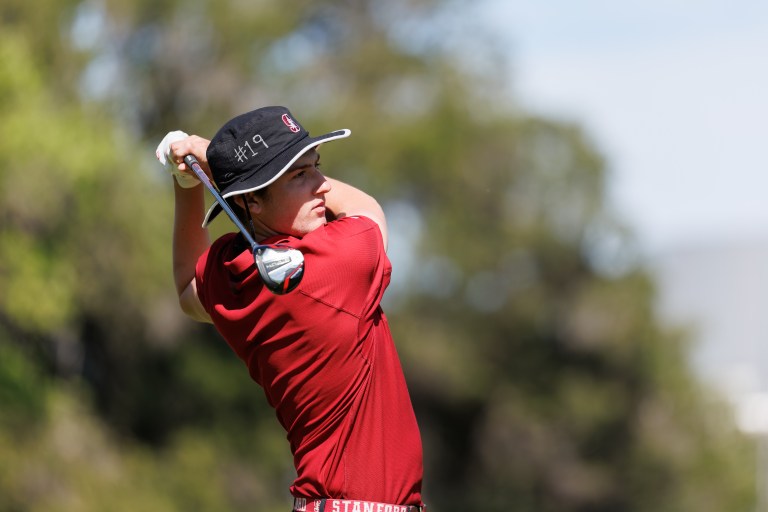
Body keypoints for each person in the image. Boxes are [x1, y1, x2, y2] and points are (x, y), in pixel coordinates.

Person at [156, 106, 425, 511]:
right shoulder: (336, 265)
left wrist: (186, 181)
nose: (322, 186)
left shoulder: (234, 269)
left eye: (318, 167)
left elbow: (186, 287)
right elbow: (369, 209)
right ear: (251, 201)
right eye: (300, 175)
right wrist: (210, 155)